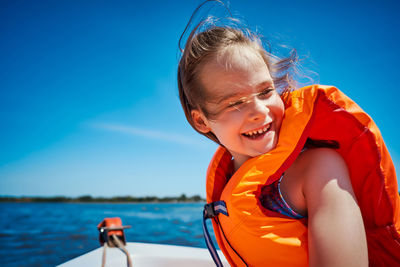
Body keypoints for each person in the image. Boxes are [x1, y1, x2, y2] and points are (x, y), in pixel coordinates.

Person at [177, 2, 399, 266]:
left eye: (265, 92)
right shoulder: (228, 181)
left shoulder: (320, 169)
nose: (259, 111)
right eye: (234, 103)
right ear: (201, 121)